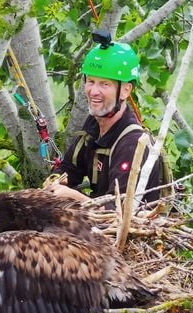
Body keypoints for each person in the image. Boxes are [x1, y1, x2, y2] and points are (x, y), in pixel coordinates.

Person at [46, 30, 163, 205]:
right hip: (99, 223)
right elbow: (69, 167)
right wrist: (56, 180)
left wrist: (73, 196)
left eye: (104, 84)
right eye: (90, 81)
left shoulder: (133, 144)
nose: (94, 91)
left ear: (125, 90)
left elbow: (118, 212)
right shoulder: (93, 125)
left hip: (127, 226)